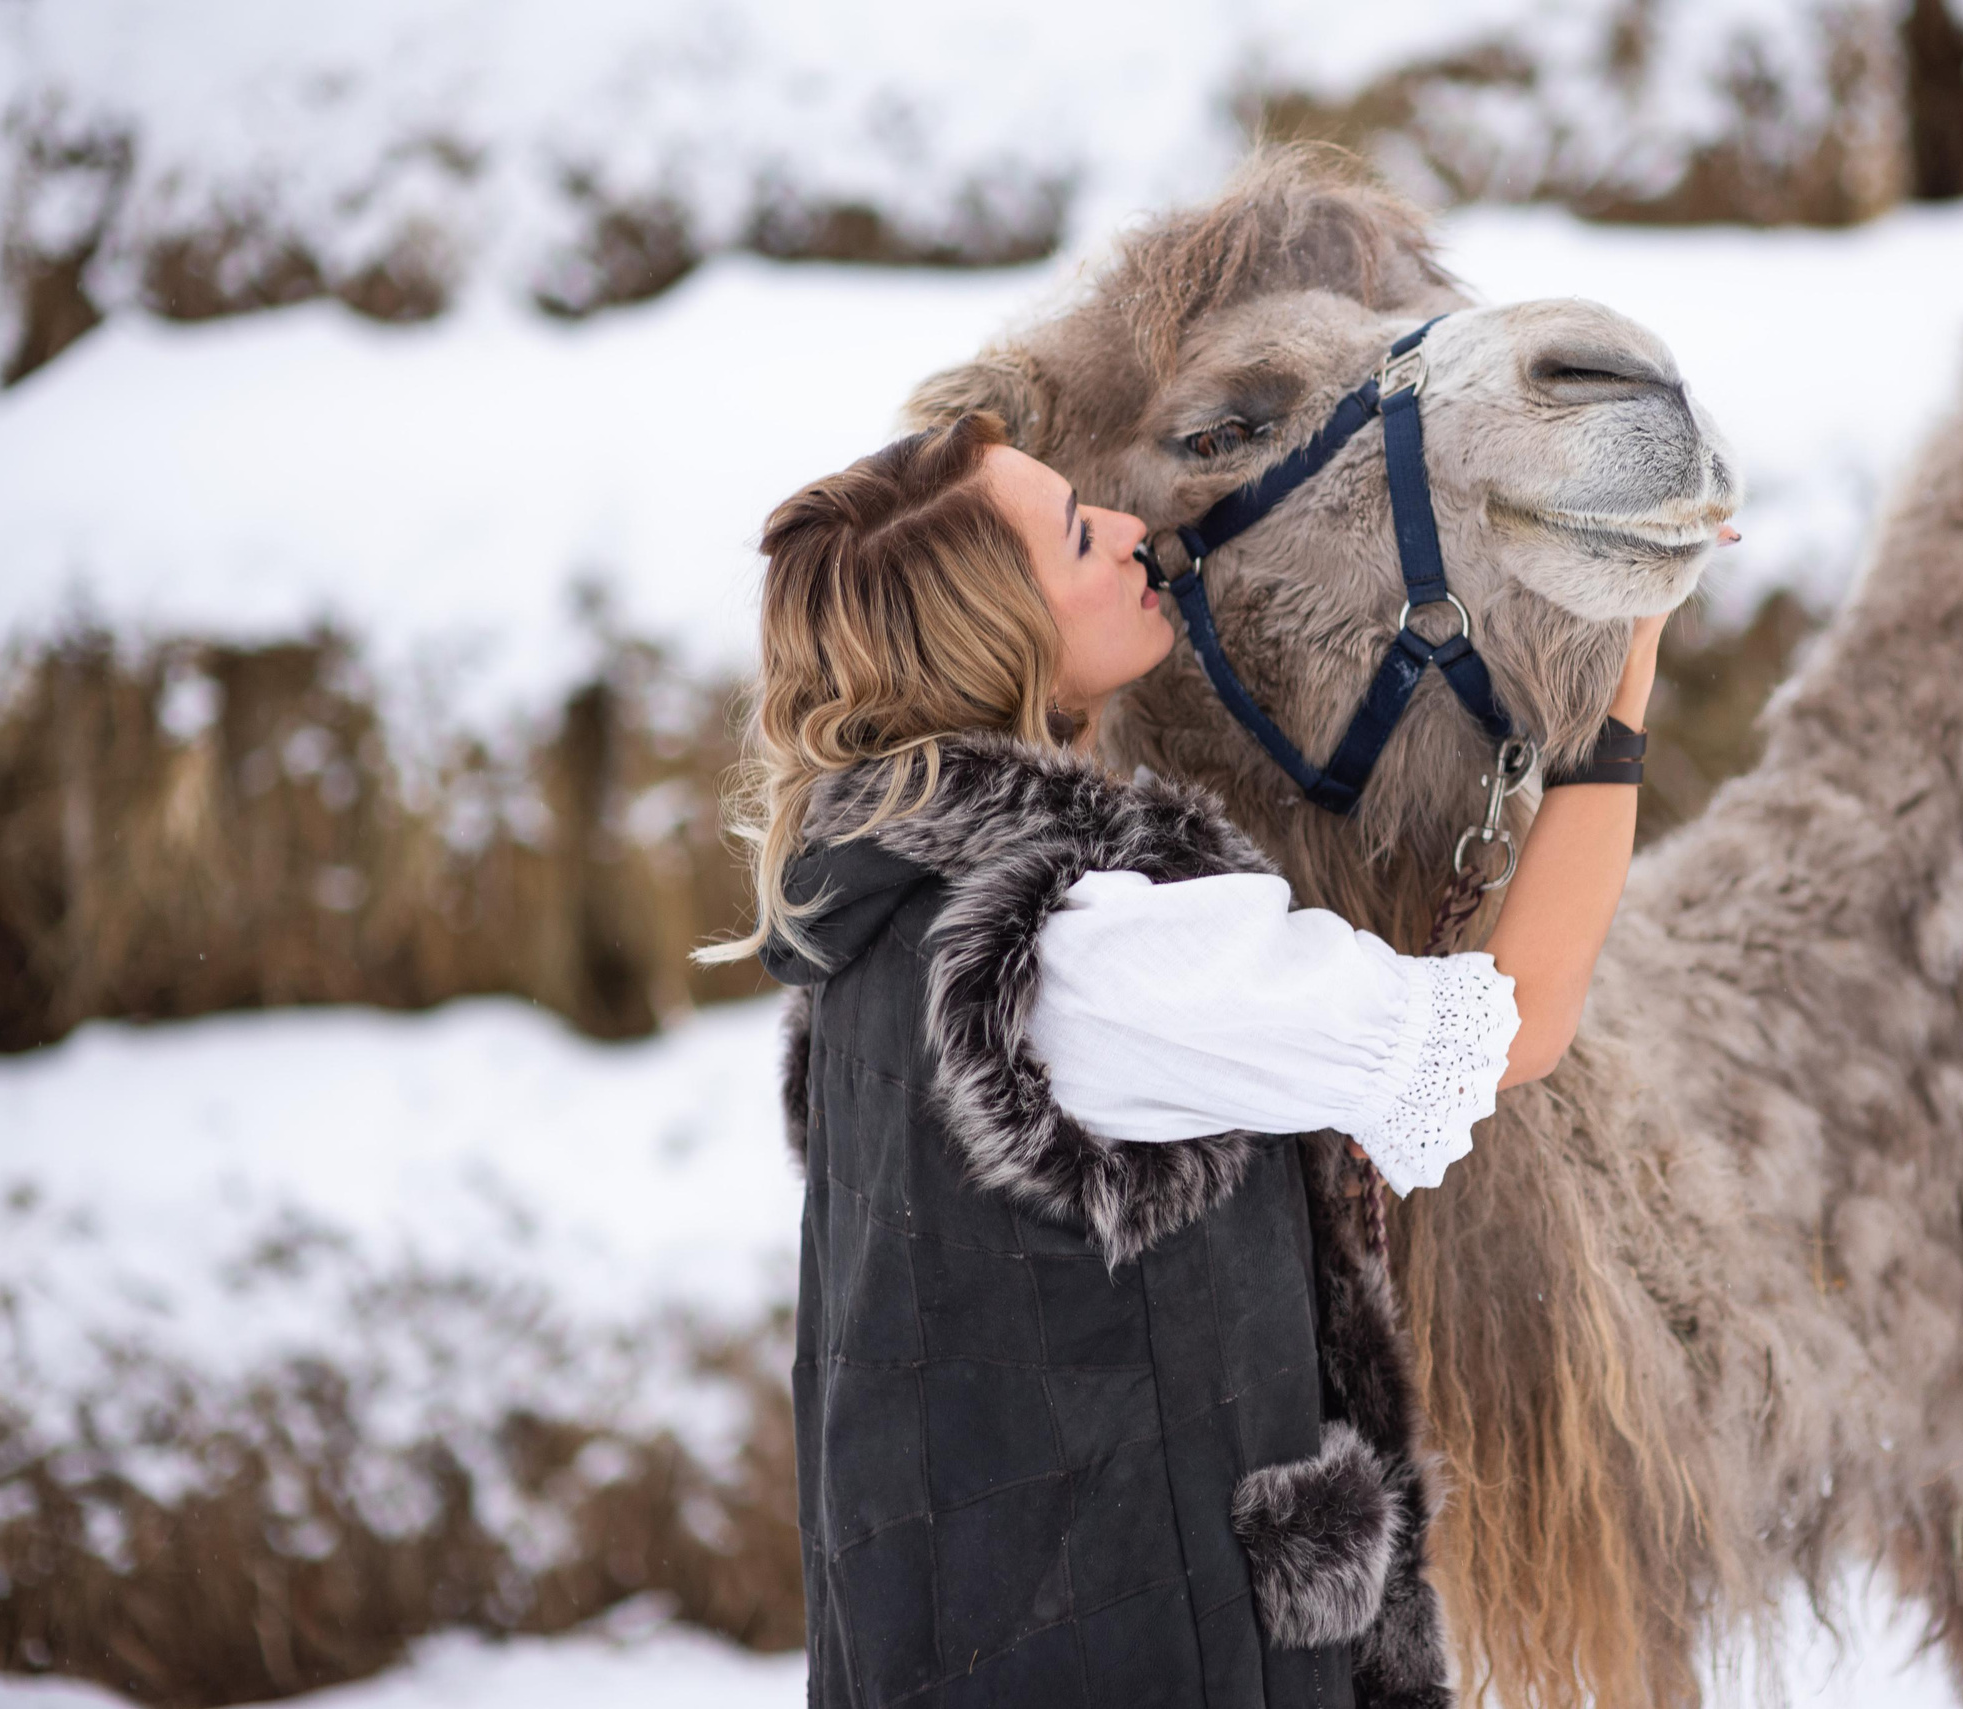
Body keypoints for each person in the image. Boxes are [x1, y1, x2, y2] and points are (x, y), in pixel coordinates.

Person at [706, 410, 1665, 1709]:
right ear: (1003, 629)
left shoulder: (880, 928)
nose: (1127, 534)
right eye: (1074, 533)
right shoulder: (1080, 947)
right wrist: (1623, 687)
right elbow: (1512, 1020)